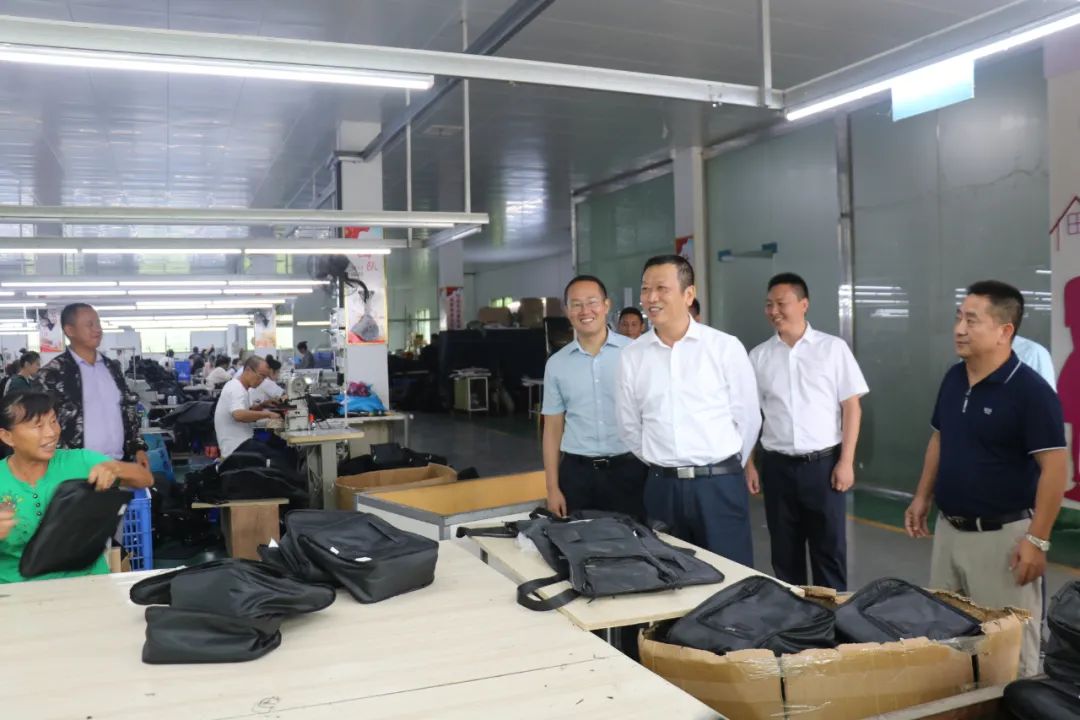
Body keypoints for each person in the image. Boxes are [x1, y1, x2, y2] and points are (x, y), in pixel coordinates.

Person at [905, 280, 1066, 677]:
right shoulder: (954, 378)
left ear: (1004, 330)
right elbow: (940, 439)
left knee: (1008, 654)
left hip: (1003, 541)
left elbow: (1055, 469)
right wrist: (922, 496)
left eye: (972, 320)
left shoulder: (1031, 392)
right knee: (946, 641)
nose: (959, 329)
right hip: (949, 532)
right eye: (958, 318)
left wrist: (1037, 540)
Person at [616, 255, 760, 566]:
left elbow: (748, 417)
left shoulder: (723, 347)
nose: (651, 297)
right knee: (669, 575)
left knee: (730, 575)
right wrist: (663, 461)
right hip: (662, 487)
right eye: (645, 289)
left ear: (688, 294)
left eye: (661, 288)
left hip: (718, 486)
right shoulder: (633, 356)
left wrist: (721, 462)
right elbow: (628, 425)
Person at [746, 273, 868, 590]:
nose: (774, 311)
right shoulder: (759, 357)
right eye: (769, 304)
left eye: (781, 303)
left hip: (823, 467)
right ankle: (794, 617)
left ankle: (834, 617)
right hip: (777, 468)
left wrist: (846, 462)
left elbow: (852, 407)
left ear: (804, 304)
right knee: (784, 555)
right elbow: (750, 415)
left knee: (829, 552)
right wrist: (749, 462)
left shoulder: (832, 349)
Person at [0, 391, 153, 583]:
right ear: (7, 437)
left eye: (53, 421)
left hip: (87, 583)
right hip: (17, 591)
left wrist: (117, 468)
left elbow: (145, 479)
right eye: (38, 426)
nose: (51, 433)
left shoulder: (81, 461)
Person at [542, 275, 645, 519]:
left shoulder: (635, 354)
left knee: (633, 539)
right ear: (567, 311)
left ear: (606, 305)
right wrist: (552, 488)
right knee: (579, 540)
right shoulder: (556, 364)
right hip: (577, 475)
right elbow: (553, 428)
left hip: (629, 471)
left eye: (592, 302)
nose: (585, 311)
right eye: (576, 304)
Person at [36, 304, 148, 466]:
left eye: (98, 323)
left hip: (119, 466)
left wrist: (138, 449)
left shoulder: (112, 369)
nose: (97, 329)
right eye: (90, 324)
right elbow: (39, 424)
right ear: (70, 330)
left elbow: (128, 411)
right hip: (73, 470)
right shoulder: (52, 374)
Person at [213, 356, 282, 460]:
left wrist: (262, 405)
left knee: (276, 447)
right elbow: (238, 415)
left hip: (242, 444)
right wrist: (268, 414)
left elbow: (245, 412)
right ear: (248, 370)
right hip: (237, 448)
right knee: (280, 457)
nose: (261, 381)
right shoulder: (236, 388)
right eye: (261, 376)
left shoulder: (240, 387)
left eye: (264, 378)